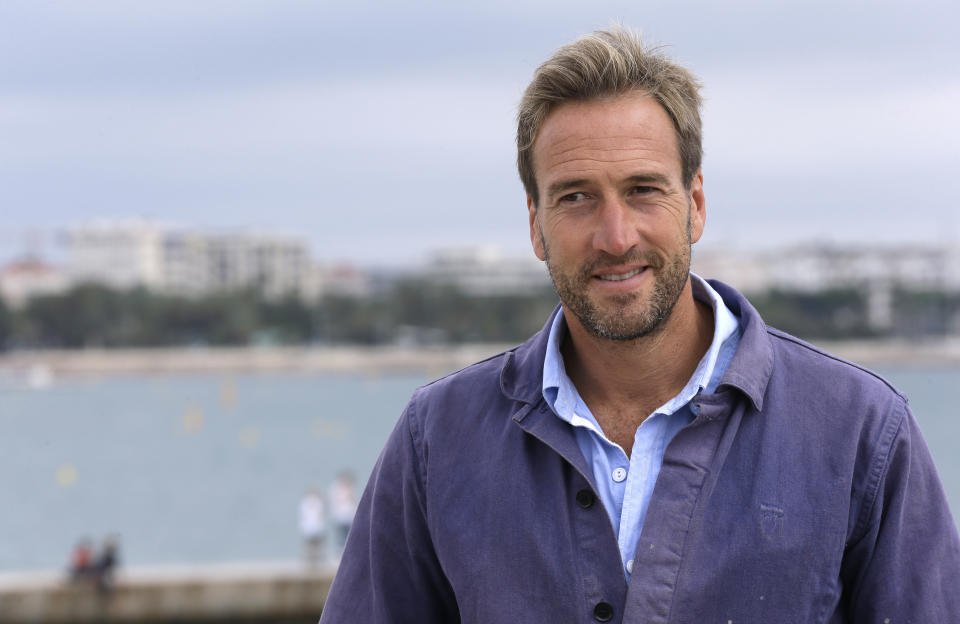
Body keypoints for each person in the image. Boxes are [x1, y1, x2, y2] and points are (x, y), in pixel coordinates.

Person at [320, 27, 960, 622]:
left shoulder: (860, 432)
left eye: (644, 190)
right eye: (576, 197)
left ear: (697, 204)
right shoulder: (438, 440)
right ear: (536, 224)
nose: (615, 236)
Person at [299, 487, 326, 565]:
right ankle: (311, 560)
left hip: (313, 527)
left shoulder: (307, 502)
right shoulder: (310, 502)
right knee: (312, 545)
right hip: (311, 527)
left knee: (314, 545)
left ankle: (313, 560)